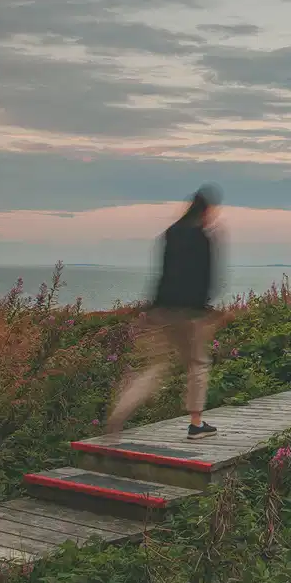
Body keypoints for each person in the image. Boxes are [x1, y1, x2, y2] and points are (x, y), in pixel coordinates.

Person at [107, 186, 222, 440]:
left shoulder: (171, 233)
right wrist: (205, 311)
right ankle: (196, 423)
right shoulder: (203, 237)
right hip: (189, 315)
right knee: (198, 364)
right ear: (206, 210)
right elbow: (206, 278)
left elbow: (162, 275)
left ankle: (120, 413)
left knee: (156, 367)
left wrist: (150, 310)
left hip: (162, 311)